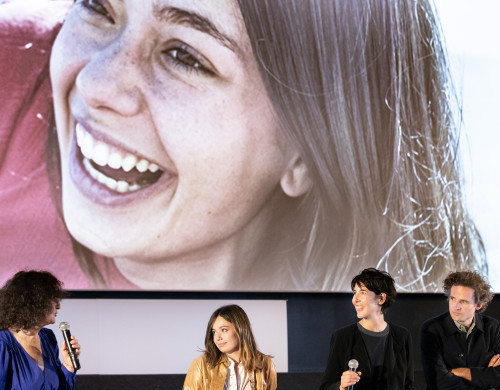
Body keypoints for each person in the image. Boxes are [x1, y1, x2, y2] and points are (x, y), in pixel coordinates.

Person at [0, 0, 486, 292]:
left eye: (184, 56)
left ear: (307, 153)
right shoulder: (13, 76)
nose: (96, 84)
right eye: (97, 6)